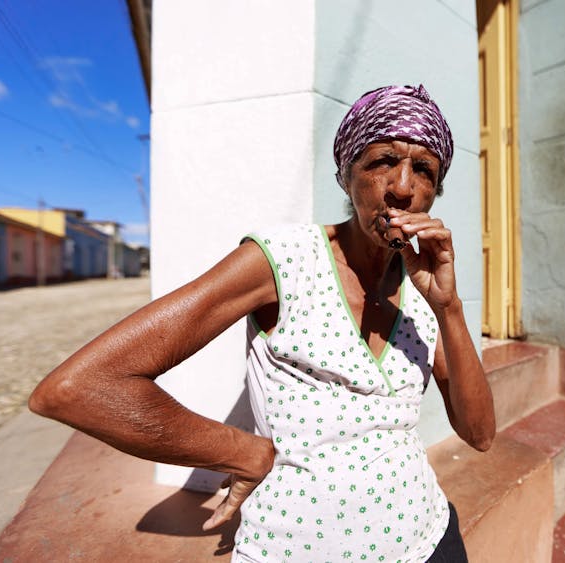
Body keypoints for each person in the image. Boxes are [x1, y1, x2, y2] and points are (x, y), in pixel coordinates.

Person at [29, 84, 495, 562]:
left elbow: (479, 435)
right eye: (381, 161)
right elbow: (78, 388)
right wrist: (242, 452)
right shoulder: (285, 260)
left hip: (427, 539)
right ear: (346, 172)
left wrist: (449, 307)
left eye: (424, 170)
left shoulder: (423, 290)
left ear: (435, 192)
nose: (402, 187)